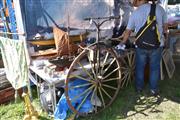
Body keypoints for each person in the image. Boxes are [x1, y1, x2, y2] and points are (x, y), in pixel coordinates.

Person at [120, 0, 168, 96]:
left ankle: (139, 88)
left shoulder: (135, 12)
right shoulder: (160, 9)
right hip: (157, 45)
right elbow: (165, 27)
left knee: (140, 67)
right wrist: (164, 37)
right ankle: (153, 89)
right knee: (154, 68)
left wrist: (122, 42)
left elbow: (128, 31)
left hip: (140, 46)